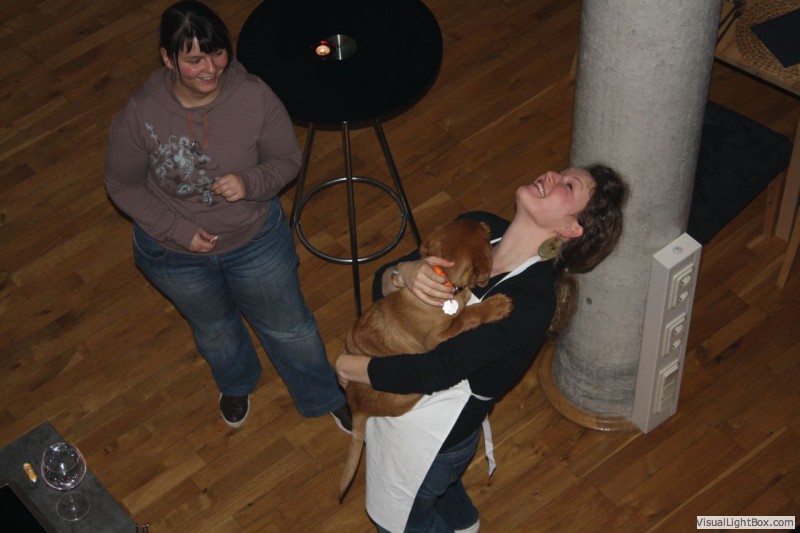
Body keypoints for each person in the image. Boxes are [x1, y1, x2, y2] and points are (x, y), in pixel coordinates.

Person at [336, 164, 629, 532]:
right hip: (403, 395)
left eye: (569, 186)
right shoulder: (479, 226)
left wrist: (351, 367)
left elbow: (435, 372)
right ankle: (465, 524)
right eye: (561, 171)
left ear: (570, 229)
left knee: (402, 522)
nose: (552, 174)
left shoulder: (531, 302)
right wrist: (403, 273)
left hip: (436, 441)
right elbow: (382, 291)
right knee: (441, 491)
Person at [104, 0, 350, 430]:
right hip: (174, 255)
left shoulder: (255, 96)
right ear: (168, 59)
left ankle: (322, 395)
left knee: (291, 328)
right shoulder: (142, 112)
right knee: (214, 329)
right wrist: (178, 230)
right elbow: (122, 184)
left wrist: (250, 182)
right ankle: (236, 382)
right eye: (194, 60)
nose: (210, 69)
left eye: (217, 53)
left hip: (255, 241)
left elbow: (287, 161)